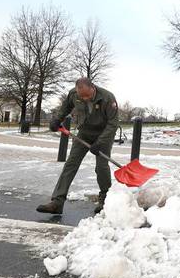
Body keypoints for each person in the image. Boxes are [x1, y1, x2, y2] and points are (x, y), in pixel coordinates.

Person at [37, 77, 119, 215]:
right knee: (70, 164)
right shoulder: (73, 95)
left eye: (88, 95)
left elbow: (113, 123)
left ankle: (105, 200)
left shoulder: (107, 97)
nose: (85, 99)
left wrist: (100, 142)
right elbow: (65, 108)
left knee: (101, 166)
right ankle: (57, 202)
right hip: (84, 132)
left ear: (93, 87)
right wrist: (57, 120)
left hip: (103, 134)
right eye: (82, 96)